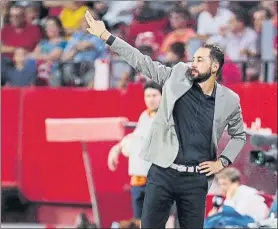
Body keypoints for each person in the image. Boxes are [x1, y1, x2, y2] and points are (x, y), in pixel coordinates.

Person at [85, 10, 246, 228]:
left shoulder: (229, 99)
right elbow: (141, 61)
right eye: (193, 58)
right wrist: (106, 36)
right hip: (163, 172)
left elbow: (239, 136)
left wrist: (222, 162)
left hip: (196, 179)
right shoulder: (177, 75)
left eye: (200, 60)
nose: (193, 63)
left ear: (215, 67)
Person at [108, 82, 162, 219]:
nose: (150, 99)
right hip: (138, 181)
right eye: (147, 95)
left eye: (154, 95)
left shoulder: (168, 118)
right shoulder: (145, 116)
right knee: (139, 221)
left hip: (158, 183)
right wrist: (117, 149)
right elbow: (136, 137)